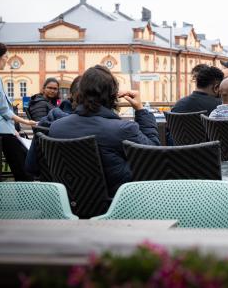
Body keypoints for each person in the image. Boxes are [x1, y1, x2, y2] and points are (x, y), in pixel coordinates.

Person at [47, 65, 160, 195]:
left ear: (79, 93)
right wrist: (140, 110)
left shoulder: (56, 127)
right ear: (113, 95)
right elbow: (154, 156)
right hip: (118, 207)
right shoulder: (122, 130)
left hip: (70, 206)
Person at [0, 42, 36, 180]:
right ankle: (28, 196)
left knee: (20, 160)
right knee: (23, 167)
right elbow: (3, 110)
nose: (7, 61)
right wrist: (26, 121)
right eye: (6, 57)